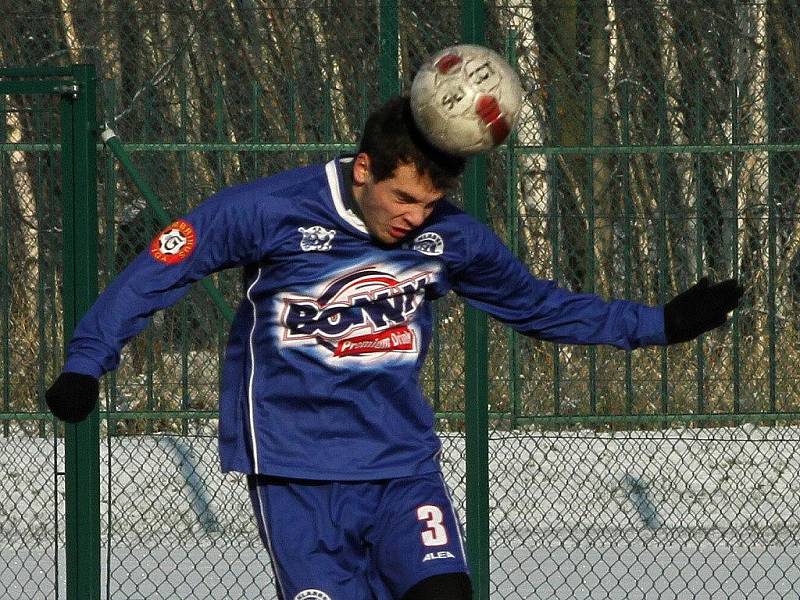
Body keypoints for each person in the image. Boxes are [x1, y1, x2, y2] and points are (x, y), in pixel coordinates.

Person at [45, 95, 743, 600]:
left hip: (401, 468)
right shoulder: (269, 210)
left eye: (430, 204)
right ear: (363, 170)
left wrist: (661, 325)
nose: (415, 219)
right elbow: (158, 271)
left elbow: (537, 306)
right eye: (404, 198)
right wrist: (86, 362)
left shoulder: (448, 237)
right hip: (296, 473)